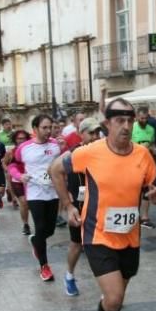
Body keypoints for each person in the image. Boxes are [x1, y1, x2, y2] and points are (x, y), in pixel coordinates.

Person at [50, 98, 156, 311]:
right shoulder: (90, 152)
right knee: (113, 298)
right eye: (119, 121)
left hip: (129, 237)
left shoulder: (142, 155)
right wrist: (67, 206)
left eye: (130, 121)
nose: (126, 127)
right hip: (97, 234)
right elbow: (55, 170)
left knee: (117, 299)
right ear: (107, 124)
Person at [10, 115, 61, 282]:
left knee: (50, 230)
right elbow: (11, 164)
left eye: (50, 127)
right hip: (34, 193)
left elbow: (63, 162)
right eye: (45, 128)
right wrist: (19, 175)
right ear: (35, 129)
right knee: (40, 227)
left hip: (53, 192)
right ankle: (44, 266)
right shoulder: (24, 147)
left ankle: (35, 241)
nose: (48, 131)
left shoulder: (55, 145)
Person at [58, 117, 103, 297]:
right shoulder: (73, 154)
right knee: (76, 244)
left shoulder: (104, 151)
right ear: (80, 134)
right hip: (78, 204)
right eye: (90, 133)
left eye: (97, 133)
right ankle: (69, 275)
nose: (95, 137)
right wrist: (67, 203)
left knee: (101, 247)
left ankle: (107, 290)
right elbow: (54, 172)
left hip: (99, 205)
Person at [132, 106, 156, 229]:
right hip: (134, 162)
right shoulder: (132, 127)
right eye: (141, 118)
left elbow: (153, 142)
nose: (143, 120)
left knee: (147, 190)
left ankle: (145, 217)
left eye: (145, 118)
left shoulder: (151, 129)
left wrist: (154, 148)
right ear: (137, 117)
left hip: (147, 162)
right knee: (134, 191)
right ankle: (134, 215)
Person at [4, 129, 33, 235]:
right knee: (24, 202)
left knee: (32, 203)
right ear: (15, 140)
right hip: (17, 180)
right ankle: (25, 224)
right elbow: (4, 163)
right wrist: (10, 171)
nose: (21, 140)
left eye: (24, 138)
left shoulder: (31, 150)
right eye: (19, 138)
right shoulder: (11, 152)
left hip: (30, 179)